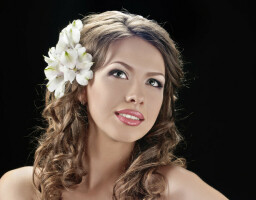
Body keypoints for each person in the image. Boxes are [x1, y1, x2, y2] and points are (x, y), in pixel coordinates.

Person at [0, 11, 228, 200]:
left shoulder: (174, 190)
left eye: (153, 82)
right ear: (79, 87)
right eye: (119, 73)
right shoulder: (22, 189)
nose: (137, 96)